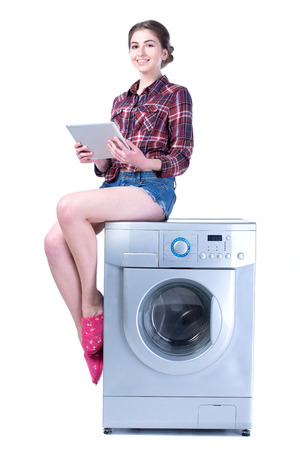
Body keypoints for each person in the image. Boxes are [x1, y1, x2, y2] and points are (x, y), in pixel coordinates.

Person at [44, 20, 194, 385]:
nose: (140, 53)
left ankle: (93, 304)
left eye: (149, 45)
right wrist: (95, 157)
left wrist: (146, 162)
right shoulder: (120, 100)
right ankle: (86, 329)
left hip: (152, 190)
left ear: (164, 52)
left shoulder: (176, 94)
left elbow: (183, 156)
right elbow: (108, 164)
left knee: (68, 207)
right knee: (52, 242)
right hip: (117, 184)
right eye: (134, 46)